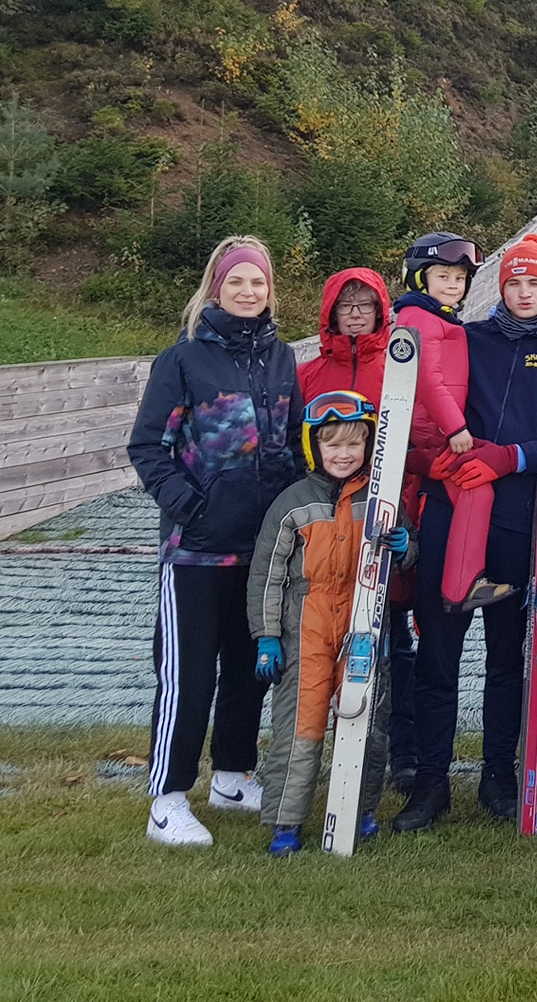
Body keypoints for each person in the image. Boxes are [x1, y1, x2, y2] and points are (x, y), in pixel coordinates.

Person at [396, 233, 537, 833]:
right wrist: (430, 460)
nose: (523, 292)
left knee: (508, 659)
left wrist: (512, 458)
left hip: (523, 520)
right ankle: (431, 784)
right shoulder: (470, 338)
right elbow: (426, 407)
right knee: (439, 649)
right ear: (500, 287)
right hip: (453, 511)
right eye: (513, 282)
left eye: (534, 282)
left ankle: (497, 777)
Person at [128, 236, 305, 847]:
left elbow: (294, 447)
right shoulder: (182, 361)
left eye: (258, 282)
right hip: (197, 550)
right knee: (188, 675)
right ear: (215, 287)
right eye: (237, 282)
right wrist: (188, 507)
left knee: (248, 670)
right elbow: (148, 446)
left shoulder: (282, 359)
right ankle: (168, 798)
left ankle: (232, 775)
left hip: (261, 550)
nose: (248, 292)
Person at [248, 391, 413, 855]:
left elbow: (407, 551)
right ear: (313, 447)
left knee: (365, 721)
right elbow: (267, 576)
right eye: (333, 445)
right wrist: (267, 638)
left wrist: (404, 547)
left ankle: (357, 809)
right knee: (301, 725)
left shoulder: (380, 497)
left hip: (363, 619)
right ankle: (286, 821)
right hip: (307, 624)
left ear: (370, 447)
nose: (344, 454)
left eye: (354, 445)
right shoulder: (291, 503)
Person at [392, 232, 501, 612]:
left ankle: (462, 582)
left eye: (459, 278)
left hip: (438, 430)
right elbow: (426, 377)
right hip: (437, 430)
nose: (453, 284)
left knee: (470, 492)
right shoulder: (418, 317)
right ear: (420, 279)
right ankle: (460, 586)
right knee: (477, 490)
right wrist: (456, 428)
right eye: (443, 276)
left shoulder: (438, 318)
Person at [297, 268, 391, 402]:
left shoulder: (397, 374)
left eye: (365, 305)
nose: (355, 314)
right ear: (333, 314)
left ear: (379, 312)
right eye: (345, 306)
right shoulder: (304, 376)